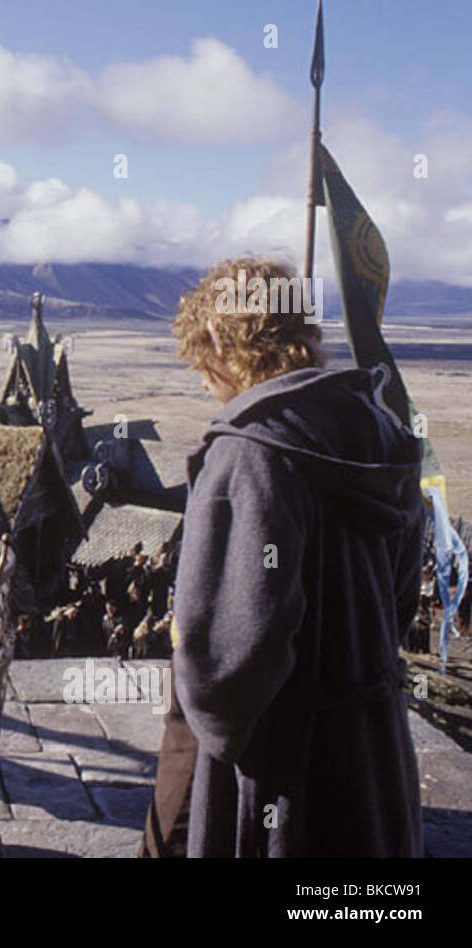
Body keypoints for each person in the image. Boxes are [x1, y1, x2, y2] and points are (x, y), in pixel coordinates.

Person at [143, 256, 425, 858]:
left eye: (201, 360)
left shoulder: (250, 456)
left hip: (289, 764)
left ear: (221, 339)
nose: (203, 380)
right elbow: (401, 597)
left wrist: (214, 717)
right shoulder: (378, 432)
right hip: (372, 750)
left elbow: (235, 647)